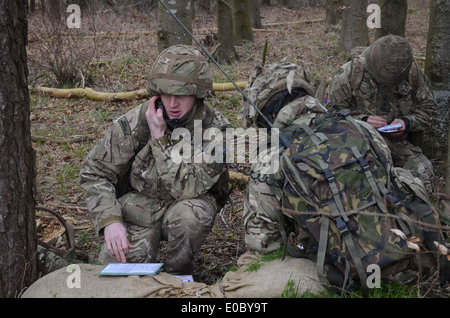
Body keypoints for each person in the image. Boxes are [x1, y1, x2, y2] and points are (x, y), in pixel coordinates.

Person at [79, 45, 231, 274]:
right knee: (117, 275)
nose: (172, 104)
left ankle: (177, 275)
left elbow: (188, 189)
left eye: (181, 95)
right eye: (166, 94)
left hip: (187, 206)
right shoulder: (134, 122)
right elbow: (95, 173)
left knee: (191, 216)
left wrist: (160, 139)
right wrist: (110, 221)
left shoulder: (216, 130)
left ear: (198, 94)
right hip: (140, 207)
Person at [325, 35, 437, 193]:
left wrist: (407, 122)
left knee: (424, 175)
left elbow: (429, 109)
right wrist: (362, 121)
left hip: (397, 142)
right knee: (359, 182)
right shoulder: (349, 74)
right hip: (358, 142)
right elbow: (329, 117)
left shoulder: (411, 72)